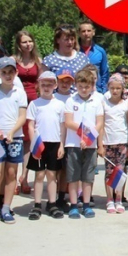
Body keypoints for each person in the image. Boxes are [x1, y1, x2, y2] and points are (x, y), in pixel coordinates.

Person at [0, 57, 27, 225]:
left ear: (15, 73)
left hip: (15, 138)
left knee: (11, 173)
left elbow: (22, 116)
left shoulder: (19, 93)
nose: (8, 75)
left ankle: (6, 208)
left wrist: (11, 132)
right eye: (4, 72)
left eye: (11, 72)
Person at [64, 68, 105, 219]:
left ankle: (86, 204)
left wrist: (88, 138)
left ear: (92, 85)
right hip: (73, 143)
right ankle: (74, 205)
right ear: (76, 85)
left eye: (86, 86)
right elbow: (69, 122)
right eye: (80, 86)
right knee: (74, 175)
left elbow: (99, 123)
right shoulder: (71, 100)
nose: (83, 89)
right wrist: (83, 132)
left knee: (88, 176)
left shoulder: (97, 101)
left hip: (90, 144)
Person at [26, 71, 67, 220]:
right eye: (43, 84)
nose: (47, 87)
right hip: (39, 143)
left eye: (50, 84)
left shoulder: (59, 105)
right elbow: (30, 125)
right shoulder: (34, 104)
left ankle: (52, 203)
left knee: (52, 174)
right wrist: (33, 144)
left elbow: (63, 127)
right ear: (38, 85)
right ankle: (37, 204)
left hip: (54, 142)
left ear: (55, 85)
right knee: (39, 174)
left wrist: (62, 145)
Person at [13, 30, 47, 194]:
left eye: (30, 41)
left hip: (33, 102)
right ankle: (13, 179)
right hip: (16, 103)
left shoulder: (38, 61)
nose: (28, 44)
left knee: (28, 142)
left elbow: (42, 83)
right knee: (16, 141)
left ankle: (24, 177)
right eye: (24, 42)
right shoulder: (13, 61)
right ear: (19, 45)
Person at [102, 74, 128, 214]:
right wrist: (100, 145)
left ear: (123, 89)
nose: (115, 91)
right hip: (108, 142)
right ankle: (109, 199)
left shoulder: (127, 106)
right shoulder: (104, 104)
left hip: (122, 142)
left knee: (120, 171)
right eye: (112, 88)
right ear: (108, 88)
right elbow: (101, 124)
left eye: (118, 88)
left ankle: (119, 199)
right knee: (109, 171)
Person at [53, 68, 76, 210]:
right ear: (57, 82)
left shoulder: (74, 98)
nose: (65, 84)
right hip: (54, 137)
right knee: (53, 170)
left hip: (69, 139)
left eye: (68, 81)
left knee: (65, 170)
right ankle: (53, 196)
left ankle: (61, 196)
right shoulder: (53, 97)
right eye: (62, 81)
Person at [78, 22, 109, 94]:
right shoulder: (74, 51)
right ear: (79, 33)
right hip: (79, 89)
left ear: (93, 32)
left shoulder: (100, 51)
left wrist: (103, 91)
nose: (86, 33)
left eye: (89, 31)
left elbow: (105, 73)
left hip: (97, 90)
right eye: (83, 31)